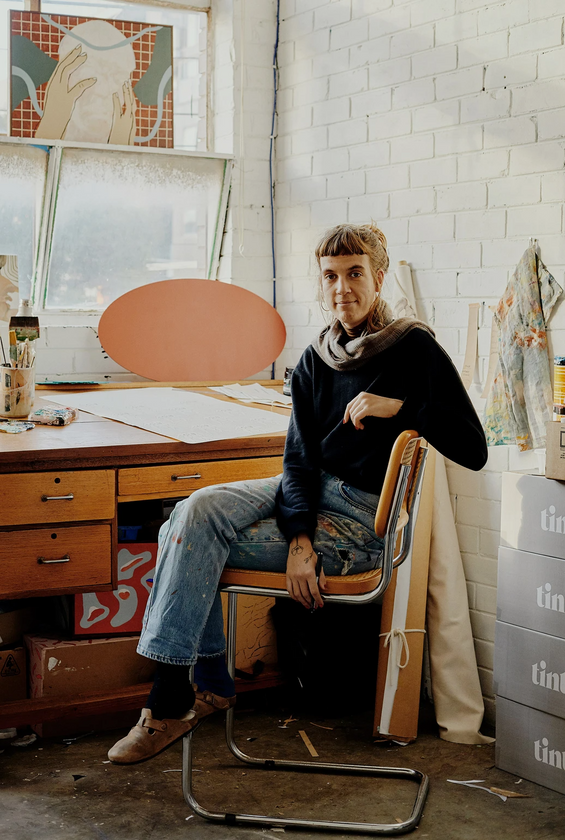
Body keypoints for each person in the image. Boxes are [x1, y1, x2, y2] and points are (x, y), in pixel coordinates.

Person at [108, 223, 488, 764]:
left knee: (182, 536)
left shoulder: (413, 347)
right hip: (311, 497)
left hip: (360, 523)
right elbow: (299, 462)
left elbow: (474, 448)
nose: (342, 288)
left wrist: (400, 408)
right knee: (193, 510)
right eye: (330, 276)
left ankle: (175, 700)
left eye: (355, 273)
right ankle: (203, 685)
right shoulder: (317, 358)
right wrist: (299, 540)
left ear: (379, 277)